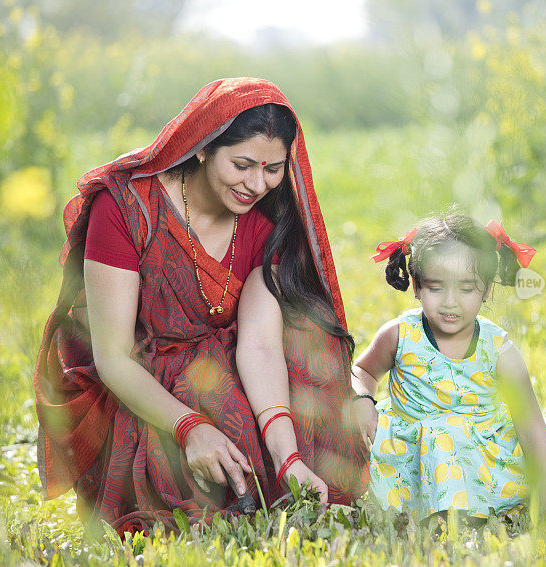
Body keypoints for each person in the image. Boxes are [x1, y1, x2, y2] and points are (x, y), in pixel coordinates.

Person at [34, 77, 368, 534]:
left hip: (237, 366)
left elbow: (261, 345)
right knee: (209, 407)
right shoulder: (125, 209)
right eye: (243, 164)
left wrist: (286, 455)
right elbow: (112, 357)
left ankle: (289, 475)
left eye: (273, 169)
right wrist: (190, 428)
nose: (257, 184)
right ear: (204, 146)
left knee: (312, 347)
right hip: (147, 383)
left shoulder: (268, 219)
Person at [351, 213, 546, 523]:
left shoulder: (498, 349)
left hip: (482, 454)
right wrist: (363, 401)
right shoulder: (400, 335)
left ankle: (494, 505)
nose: (450, 303)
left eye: (466, 289)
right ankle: (436, 513)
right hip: (414, 453)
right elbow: (361, 372)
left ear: (485, 291)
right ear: (417, 286)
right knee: (374, 437)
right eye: (436, 288)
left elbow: (530, 426)